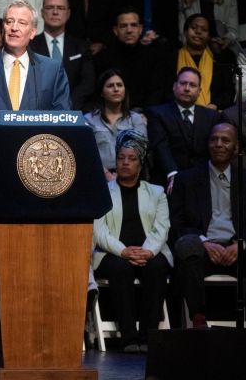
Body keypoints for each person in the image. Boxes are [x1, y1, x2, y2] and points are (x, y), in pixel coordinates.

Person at [170, 123, 246, 329]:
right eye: (214, 139)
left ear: (236, 147)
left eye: (225, 140)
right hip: (203, 251)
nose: (218, 144)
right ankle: (198, 319)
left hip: (237, 251)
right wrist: (204, 243)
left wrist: (241, 244)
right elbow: (177, 223)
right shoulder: (186, 179)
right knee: (187, 245)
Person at [92, 129, 172, 353]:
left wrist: (147, 252)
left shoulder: (156, 193)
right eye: (121, 158)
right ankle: (128, 338)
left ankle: (147, 337)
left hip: (150, 252)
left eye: (132, 159)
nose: (125, 163)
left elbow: (162, 228)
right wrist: (124, 251)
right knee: (120, 269)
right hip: (113, 253)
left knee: (156, 267)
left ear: (140, 163)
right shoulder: (103, 192)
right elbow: (99, 231)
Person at [0, 0, 71, 154]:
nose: (14, 28)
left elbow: (63, 119)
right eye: (9, 21)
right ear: (4, 28)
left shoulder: (52, 69)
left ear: (33, 32)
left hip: (37, 163)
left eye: (22, 23)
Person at [147, 67, 222, 190]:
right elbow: (161, 146)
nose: (187, 88)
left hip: (202, 182)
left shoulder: (211, 116)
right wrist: (172, 173)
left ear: (199, 91)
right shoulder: (158, 113)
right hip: (167, 181)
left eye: (192, 85)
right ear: (174, 86)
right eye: (183, 83)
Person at [93, 7, 174, 111]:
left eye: (134, 25)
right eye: (123, 26)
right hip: (111, 113)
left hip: (147, 116)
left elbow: (157, 92)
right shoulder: (103, 58)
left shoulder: (154, 56)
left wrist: (147, 115)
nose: (129, 30)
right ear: (115, 30)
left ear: (140, 29)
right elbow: (98, 93)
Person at [31, 0, 95, 112]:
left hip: (74, 110)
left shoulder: (81, 46)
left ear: (68, 13)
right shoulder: (30, 46)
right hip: (37, 112)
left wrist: (68, 106)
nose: (55, 12)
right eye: (50, 8)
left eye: (60, 8)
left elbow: (88, 82)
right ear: (42, 12)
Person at [84, 68, 146, 181]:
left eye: (119, 85)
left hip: (131, 178)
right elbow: (87, 153)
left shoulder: (136, 119)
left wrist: (123, 175)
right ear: (101, 92)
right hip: (97, 177)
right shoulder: (88, 120)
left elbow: (140, 151)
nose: (116, 89)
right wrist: (107, 175)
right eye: (110, 86)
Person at [175, 13, 236, 110]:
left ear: (209, 36)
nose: (198, 32)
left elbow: (228, 93)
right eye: (194, 28)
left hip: (212, 113)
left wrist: (215, 105)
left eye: (204, 30)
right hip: (178, 113)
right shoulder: (173, 58)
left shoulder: (220, 60)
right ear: (185, 32)